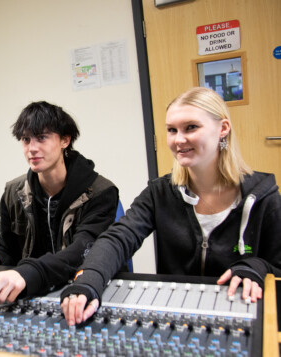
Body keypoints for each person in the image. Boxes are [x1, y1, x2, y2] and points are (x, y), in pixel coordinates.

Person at [61, 87, 281, 326]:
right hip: (179, 316)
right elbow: (119, 237)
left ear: (223, 129)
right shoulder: (160, 192)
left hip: (242, 315)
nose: (179, 140)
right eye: (172, 130)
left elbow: (277, 266)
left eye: (191, 127)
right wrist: (89, 277)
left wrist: (256, 265)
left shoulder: (262, 195)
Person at [0, 101, 119, 309]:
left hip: (80, 290)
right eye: (26, 139)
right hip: (33, 290)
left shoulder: (100, 192)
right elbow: (8, 246)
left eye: (42, 137)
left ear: (65, 140)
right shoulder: (13, 192)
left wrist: (26, 273)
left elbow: (82, 252)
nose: (32, 149)